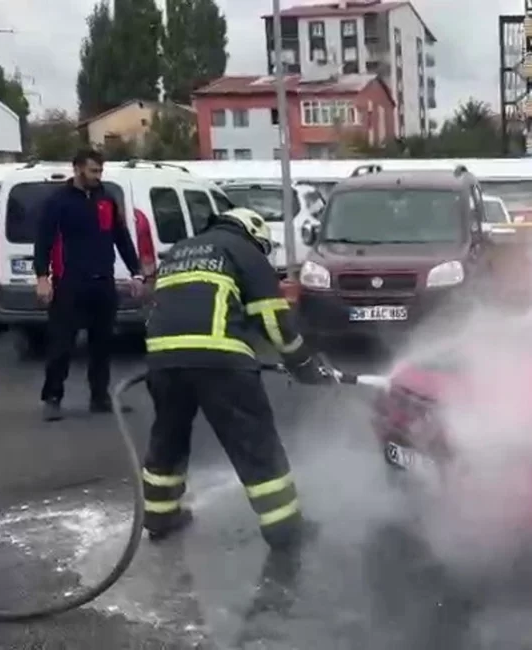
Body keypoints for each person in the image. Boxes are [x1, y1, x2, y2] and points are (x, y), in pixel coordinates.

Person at [141, 206, 338, 551]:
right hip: (221, 362)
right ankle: (284, 530)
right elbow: (273, 320)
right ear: (254, 234)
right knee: (255, 443)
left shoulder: (180, 250)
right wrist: (304, 363)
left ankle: (159, 516)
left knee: (168, 439)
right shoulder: (245, 252)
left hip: (163, 359)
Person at [34, 148, 145, 421]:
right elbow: (43, 241)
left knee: (102, 344)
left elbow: (121, 237)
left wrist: (136, 273)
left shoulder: (106, 199)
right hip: (69, 283)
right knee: (62, 345)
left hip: (102, 282)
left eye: (100, 171)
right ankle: (52, 397)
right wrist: (42, 277)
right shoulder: (58, 202)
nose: (98, 176)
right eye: (93, 170)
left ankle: (99, 397)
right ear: (77, 169)